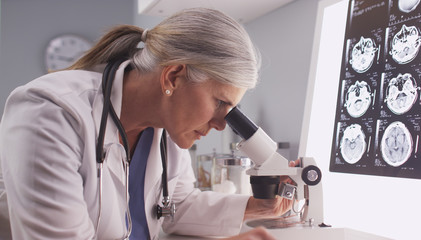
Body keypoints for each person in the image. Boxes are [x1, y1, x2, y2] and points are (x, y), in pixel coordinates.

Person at [0, 8, 292, 240]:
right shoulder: (50, 112)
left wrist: (254, 207)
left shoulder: (165, 131)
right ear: (174, 77)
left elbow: (175, 208)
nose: (220, 124)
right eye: (220, 103)